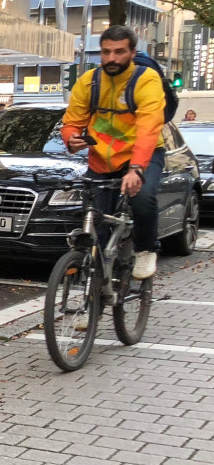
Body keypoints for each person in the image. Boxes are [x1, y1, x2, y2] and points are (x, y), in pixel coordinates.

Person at [61, 25, 166, 279]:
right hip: (102, 161)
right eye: (106, 52)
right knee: (96, 224)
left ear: (132, 53)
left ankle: (145, 250)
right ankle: (95, 292)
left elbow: (148, 128)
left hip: (143, 155)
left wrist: (137, 168)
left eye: (119, 52)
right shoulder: (89, 81)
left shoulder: (146, 79)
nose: (111, 58)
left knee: (142, 198)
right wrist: (71, 138)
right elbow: (72, 121)